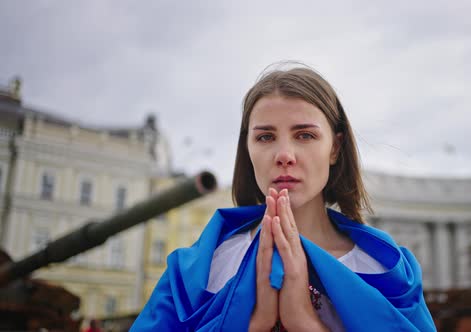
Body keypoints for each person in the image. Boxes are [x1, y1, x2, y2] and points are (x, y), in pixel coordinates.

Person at [130, 64, 435, 331]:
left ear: (335, 147)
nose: (285, 155)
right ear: (247, 149)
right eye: (265, 137)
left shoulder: (385, 269)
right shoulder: (196, 271)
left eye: (305, 135)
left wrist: (306, 322)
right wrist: (255, 324)